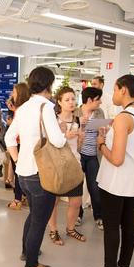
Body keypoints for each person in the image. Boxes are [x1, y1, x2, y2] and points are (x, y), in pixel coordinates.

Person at [86, 74, 134, 267]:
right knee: (128, 224)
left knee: (112, 226)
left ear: (123, 90)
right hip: (133, 179)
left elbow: (117, 158)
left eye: (114, 89)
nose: (112, 94)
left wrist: (101, 144)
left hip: (116, 180)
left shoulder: (124, 117)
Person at [5, 66, 66, 267]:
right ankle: (31, 264)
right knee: (40, 221)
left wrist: (17, 159)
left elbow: (8, 138)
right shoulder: (46, 107)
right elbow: (57, 141)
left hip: (23, 173)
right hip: (41, 173)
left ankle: (26, 251)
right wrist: (64, 134)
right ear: (49, 84)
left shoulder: (22, 108)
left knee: (34, 215)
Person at [47, 87, 86, 245]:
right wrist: (64, 136)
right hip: (58, 165)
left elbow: (79, 147)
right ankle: (53, 229)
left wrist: (81, 138)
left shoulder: (78, 120)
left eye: (73, 99)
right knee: (54, 201)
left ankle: (70, 229)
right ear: (59, 102)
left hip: (75, 164)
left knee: (76, 201)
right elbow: (48, 144)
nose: (71, 102)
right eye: (67, 99)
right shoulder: (54, 121)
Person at [77, 87, 105, 229]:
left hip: (93, 155)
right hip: (78, 154)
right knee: (76, 187)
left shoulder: (99, 113)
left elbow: (102, 133)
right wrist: (80, 125)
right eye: (98, 99)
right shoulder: (75, 112)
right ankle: (78, 215)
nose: (100, 102)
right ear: (89, 100)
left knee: (95, 186)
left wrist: (104, 130)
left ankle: (98, 216)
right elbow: (68, 133)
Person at [6, 83, 30, 211]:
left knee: (18, 173)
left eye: (14, 92)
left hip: (19, 144)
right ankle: (23, 196)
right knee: (19, 173)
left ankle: (18, 199)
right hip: (20, 144)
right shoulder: (23, 108)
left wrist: (11, 123)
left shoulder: (21, 110)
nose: (12, 94)